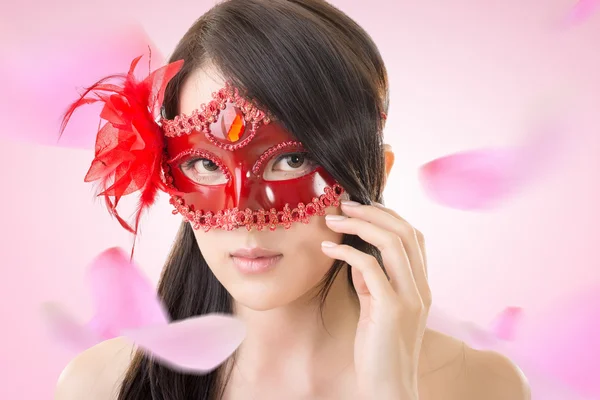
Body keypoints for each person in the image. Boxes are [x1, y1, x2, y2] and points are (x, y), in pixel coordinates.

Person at [55, 0, 530, 399]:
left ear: (375, 174)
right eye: (206, 163)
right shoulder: (99, 385)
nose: (245, 217)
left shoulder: (482, 386)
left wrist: (391, 387)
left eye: (293, 161)